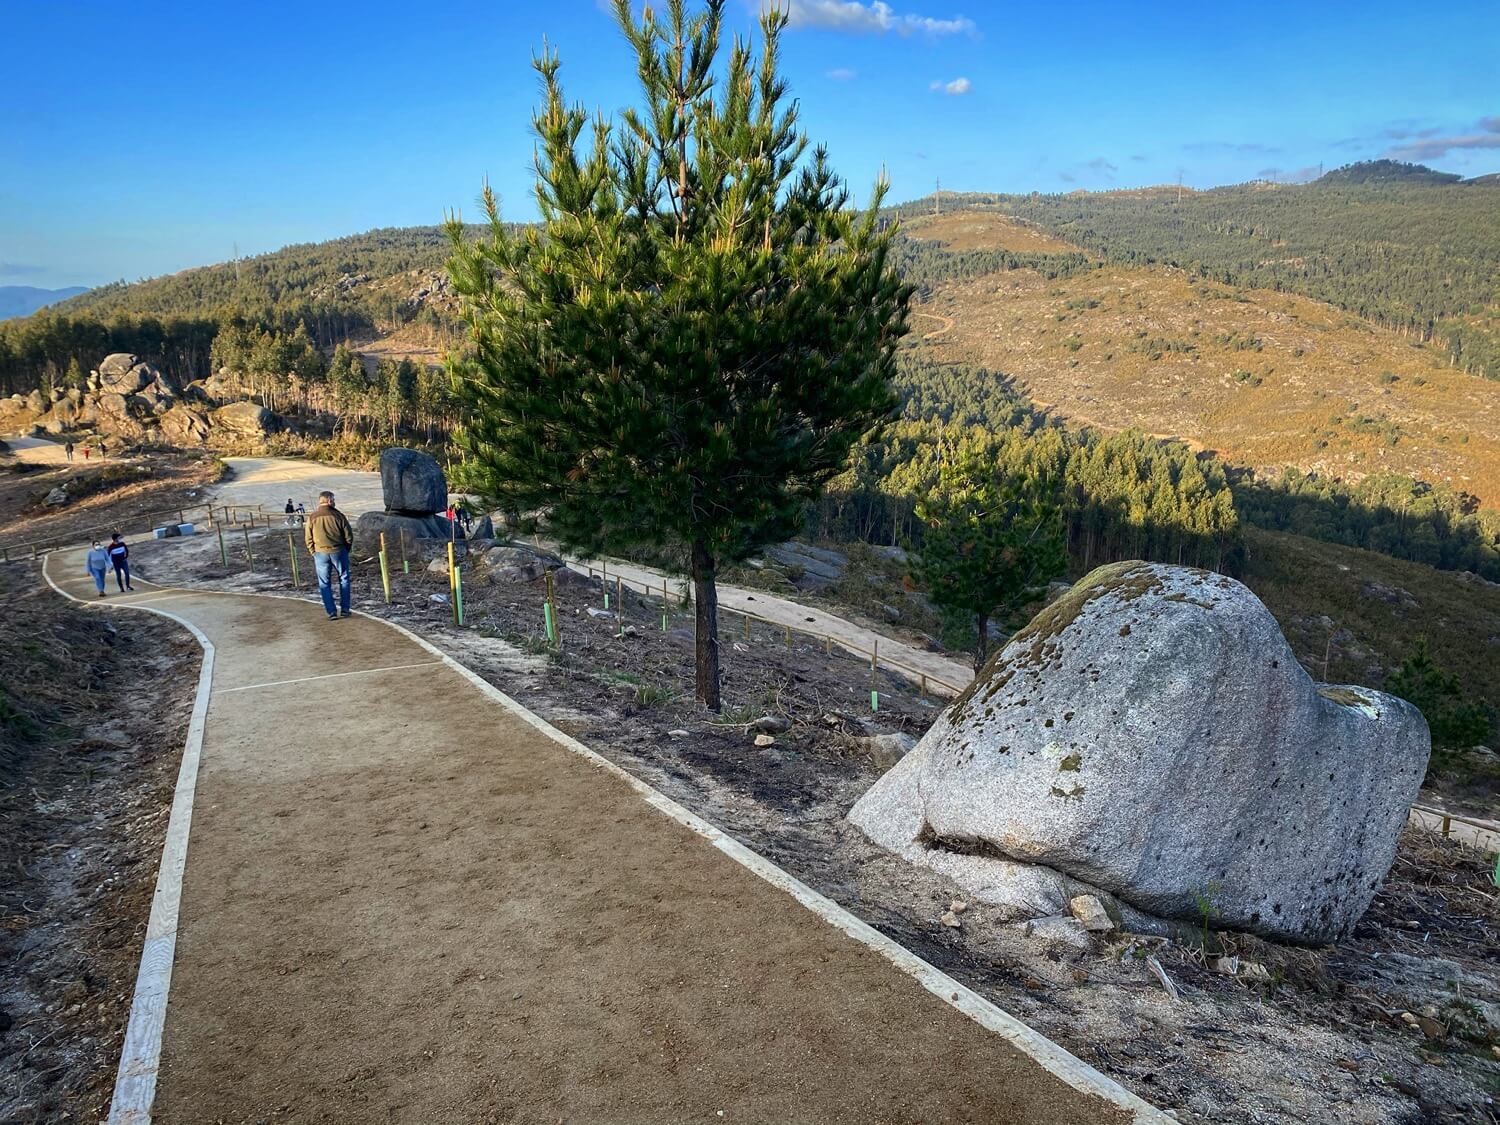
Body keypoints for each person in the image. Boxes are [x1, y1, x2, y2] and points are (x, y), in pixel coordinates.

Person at [305, 489, 354, 620]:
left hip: (320, 553)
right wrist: (346, 549)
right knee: (344, 579)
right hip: (339, 551)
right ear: (330, 501)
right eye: (333, 500)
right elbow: (349, 535)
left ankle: (331, 612)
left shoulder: (312, 517)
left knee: (324, 583)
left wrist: (313, 551)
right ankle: (345, 610)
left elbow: (308, 537)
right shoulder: (339, 516)